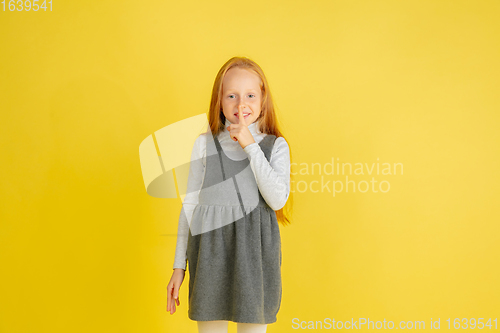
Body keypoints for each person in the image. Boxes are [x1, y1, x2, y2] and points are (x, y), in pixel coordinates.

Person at [166, 56, 292, 333]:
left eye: (249, 95)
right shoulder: (204, 145)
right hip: (210, 254)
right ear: (219, 100)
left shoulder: (275, 146)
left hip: (254, 257)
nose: (240, 104)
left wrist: (249, 144)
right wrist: (179, 266)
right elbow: (190, 205)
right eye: (231, 95)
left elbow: (277, 199)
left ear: (262, 100)